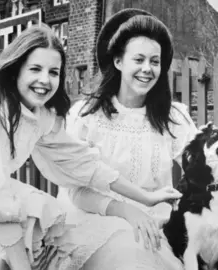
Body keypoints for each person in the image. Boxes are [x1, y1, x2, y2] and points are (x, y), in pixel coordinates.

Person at [0, 24, 181, 269]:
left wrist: (144, 197)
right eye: (35, 69)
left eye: (53, 72)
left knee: (25, 230)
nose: (45, 80)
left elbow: (82, 163)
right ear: (16, 69)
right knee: (25, 221)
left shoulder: (39, 116)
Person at [56, 9, 197, 270]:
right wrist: (127, 212)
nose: (147, 69)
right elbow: (74, 190)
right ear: (119, 61)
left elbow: (201, 167)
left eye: (155, 61)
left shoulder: (173, 117)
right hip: (93, 219)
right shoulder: (87, 116)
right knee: (129, 257)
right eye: (139, 59)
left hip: (150, 225)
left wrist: (170, 208)